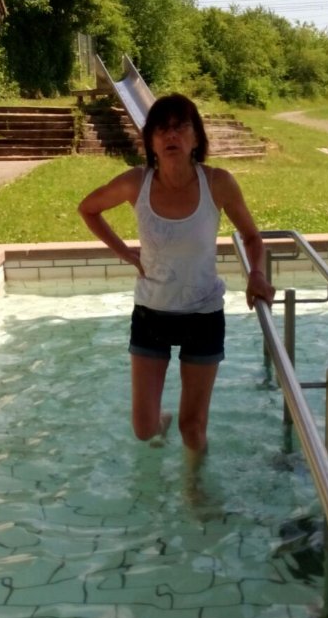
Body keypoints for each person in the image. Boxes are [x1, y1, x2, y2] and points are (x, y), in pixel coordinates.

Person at [78, 93, 275, 471]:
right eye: (162, 129)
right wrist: (125, 253)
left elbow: (251, 236)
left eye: (180, 127)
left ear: (196, 137)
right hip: (151, 314)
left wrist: (256, 274)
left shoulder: (218, 183)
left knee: (193, 427)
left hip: (203, 315)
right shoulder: (136, 183)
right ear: (150, 141)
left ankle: (194, 489)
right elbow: (89, 209)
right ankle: (161, 423)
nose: (171, 136)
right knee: (143, 429)